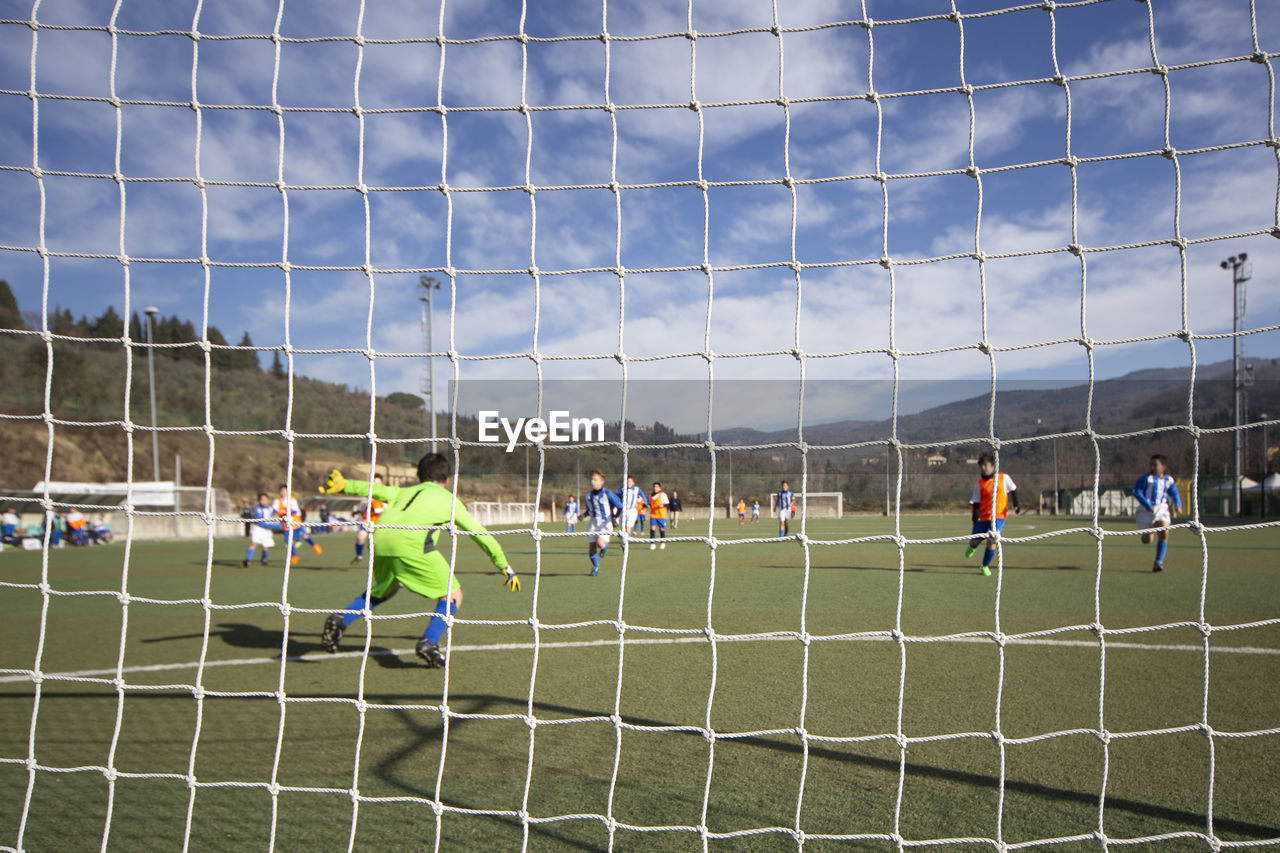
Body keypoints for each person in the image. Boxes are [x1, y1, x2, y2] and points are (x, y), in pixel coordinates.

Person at [318, 453, 520, 667]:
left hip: (380, 541)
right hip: (412, 545)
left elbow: (375, 490)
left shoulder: (403, 492)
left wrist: (344, 484)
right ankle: (428, 642)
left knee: (385, 589)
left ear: (419, 475)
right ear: (447, 479)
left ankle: (341, 619)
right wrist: (503, 565)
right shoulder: (449, 500)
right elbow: (478, 533)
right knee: (453, 594)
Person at [966, 453, 1020, 576]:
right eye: (981, 466)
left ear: (992, 465)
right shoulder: (979, 484)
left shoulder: (1003, 478)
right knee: (976, 540)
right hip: (983, 517)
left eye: (986, 465)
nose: (983, 468)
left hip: (999, 516)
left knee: (992, 539)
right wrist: (975, 515)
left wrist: (1016, 504)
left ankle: (984, 566)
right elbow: (976, 501)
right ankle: (972, 547)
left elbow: (1013, 489)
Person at [1134, 454, 1182, 573]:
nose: (1152, 467)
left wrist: (1178, 504)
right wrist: (1147, 505)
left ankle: (1158, 562)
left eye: (1155, 465)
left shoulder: (1168, 480)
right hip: (1145, 511)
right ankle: (1149, 533)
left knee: (1164, 532)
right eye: (1151, 465)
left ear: (1163, 466)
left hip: (1161, 509)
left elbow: (1174, 492)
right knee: (1147, 540)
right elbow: (1137, 492)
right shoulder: (1146, 479)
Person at [584, 469, 625, 576]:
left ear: (602, 482)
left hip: (605, 522)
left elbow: (619, 506)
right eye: (592, 479)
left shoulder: (607, 493)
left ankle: (604, 547)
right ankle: (596, 566)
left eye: (595, 479)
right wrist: (582, 515)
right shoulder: (588, 496)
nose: (592, 481)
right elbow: (590, 510)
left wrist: (615, 517)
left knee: (600, 543)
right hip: (593, 523)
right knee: (592, 548)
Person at [274, 484, 323, 565]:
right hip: (286, 524)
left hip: (295, 522)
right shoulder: (277, 501)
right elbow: (274, 510)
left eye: (284, 491)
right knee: (288, 541)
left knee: (304, 536)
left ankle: (314, 545)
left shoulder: (292, 500)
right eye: (281, 491)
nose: (283, 492)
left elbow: (295, 511)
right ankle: (294, 556)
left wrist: (286, 512)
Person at [351, 474, 385, 563]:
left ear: (382, 483)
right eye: (373, 482)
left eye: (377, 483)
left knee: (375, 545)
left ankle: (377, 560)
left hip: (379, 523)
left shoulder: (384, 495)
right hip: (367, 521)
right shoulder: (370, 494)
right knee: (360, 537)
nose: (375, 485)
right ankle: (359, 556)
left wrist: (375, 510)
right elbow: (367, 507)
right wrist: (358, 511)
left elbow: (387, 509)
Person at [243, 492, 281, 566]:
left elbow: (278, 512)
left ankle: (264, 559)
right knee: (254, 543)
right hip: (258, 528)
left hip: (267, 530)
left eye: (266, 500)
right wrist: (278, 526)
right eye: (262, 500)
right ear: (259, 501)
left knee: (265, 546)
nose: (264, 501)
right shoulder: (257, 509)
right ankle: (248, 560)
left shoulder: (270, 509)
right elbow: (261, 523)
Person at [620, 476, 645, 544]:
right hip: (624, 511)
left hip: (632, 511)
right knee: (624, 528)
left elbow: (643, 495)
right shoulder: (622, 489)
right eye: (628, 481)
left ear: (633, 483)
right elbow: (616, 496)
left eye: (630, 481)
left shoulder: (636, 489)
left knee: (628, 527)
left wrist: (645, 503)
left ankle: (626, 544)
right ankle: (624, 542)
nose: (629, 483)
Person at [648, 482, 670, 550]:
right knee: (652, 528)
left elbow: (667, 504)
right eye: (654, 487)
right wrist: (648, 506)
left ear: (660, 488)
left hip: (661, 514)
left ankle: (663, 542)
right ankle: (652, 543)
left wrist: (664, 507)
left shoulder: (663, 494)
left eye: (657, 487)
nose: (655, 488)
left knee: (661, 529)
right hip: (653, 514)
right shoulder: (651, 495)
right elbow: (650, 504)